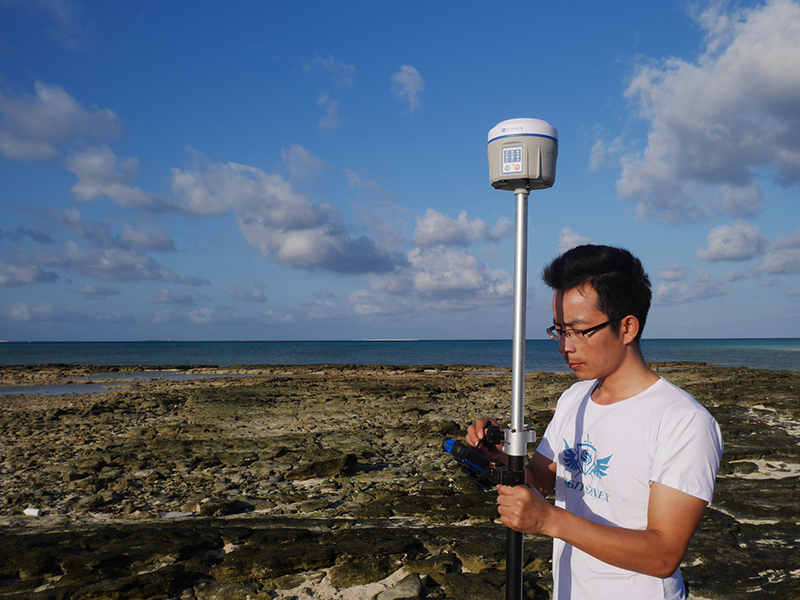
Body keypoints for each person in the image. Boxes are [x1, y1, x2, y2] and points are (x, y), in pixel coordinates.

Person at [466, 244, 723, 600]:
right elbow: (539, 480)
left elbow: (664, 554)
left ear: (627, 327)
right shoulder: (574, 399)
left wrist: (549, 521)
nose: (564, 347)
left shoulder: (684, 422)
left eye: (578, 331)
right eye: (559, 331)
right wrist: (499, 455)